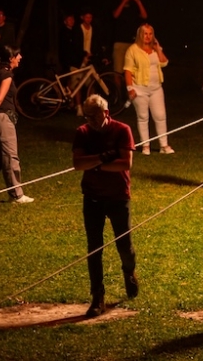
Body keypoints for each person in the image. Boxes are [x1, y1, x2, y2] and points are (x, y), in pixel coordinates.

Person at [72, 94, 137, 317]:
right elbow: (78, 164)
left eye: (94, 116)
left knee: (124, 245)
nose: (90, 120)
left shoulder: (122, 130)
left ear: (106, 113)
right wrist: (102, 158)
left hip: (118, 196)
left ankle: (129, 271)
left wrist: (95, 165)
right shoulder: (82, 132)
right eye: (87, 116)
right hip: (92, 197)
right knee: (94, 248)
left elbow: (125, 164)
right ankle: (97, 296)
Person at [0, 46, 34, 205]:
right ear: (10, 58)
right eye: (17, 55)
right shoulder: (6, 75)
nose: (20, 57)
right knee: (10, 156)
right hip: (2, 119)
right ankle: (16, 195)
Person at [124, 23, 171, 155]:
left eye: (150, 34)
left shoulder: (155, 49)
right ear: (140, 35)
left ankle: (164, 145)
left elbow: (164, 62)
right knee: (143, 116)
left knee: (160, 116)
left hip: (156, 88)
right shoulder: (132, 50)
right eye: (145, 34)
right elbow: (127, 70)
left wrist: (158, 49)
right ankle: (146, 145)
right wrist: (130, 88)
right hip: (139, 88)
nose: (148, 36)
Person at [112, 0, 147, 74]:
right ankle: (117, 83)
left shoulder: (133, 8)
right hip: (119, 42)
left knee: (131, 71)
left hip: (132, 43)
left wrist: (138, 1)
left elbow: (144, 16)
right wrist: (124, 0)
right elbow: (115, 15)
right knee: (118, 71)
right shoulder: (116, 6)